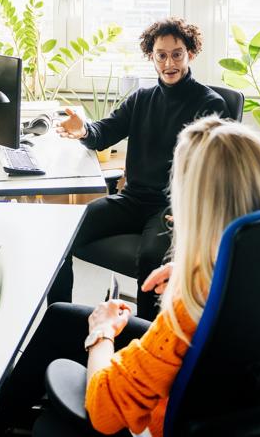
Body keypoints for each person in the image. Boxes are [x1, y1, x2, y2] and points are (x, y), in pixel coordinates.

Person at [0, 116, 260, 436]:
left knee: (86, 329)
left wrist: (101, 333)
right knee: (61, 317)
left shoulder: (190, 306)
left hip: (171, 401)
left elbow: (103, 410)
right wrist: (188, 268)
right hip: (232, 393)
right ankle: (5, 416)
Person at [49, 17, 229, 319]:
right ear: (151, 56)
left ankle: (144, 339)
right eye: (161, 54)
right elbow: (103, 133)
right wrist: (82, 131)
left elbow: (219, 173)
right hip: (132, 201)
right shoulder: (142, 99)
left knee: (151, 259)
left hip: (172, 207)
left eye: (177, 54)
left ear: (191, 54)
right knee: (62, 235)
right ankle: (60, 317)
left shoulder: (210, 104)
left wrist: (195, 211)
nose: (169, 62)